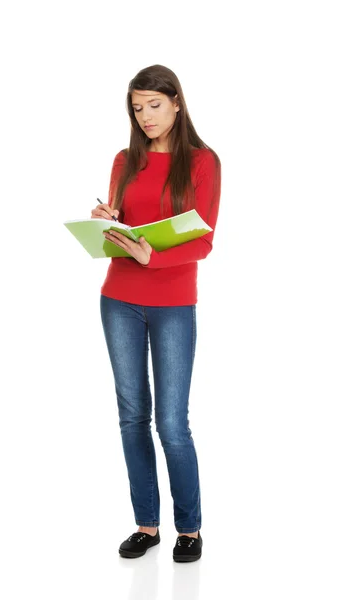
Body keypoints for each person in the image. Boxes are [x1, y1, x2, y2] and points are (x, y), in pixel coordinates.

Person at [91, 64, 222, 562]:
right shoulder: (125, 159)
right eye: (137, 107)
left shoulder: (203, 161)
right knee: (131, 418)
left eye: (154, 105)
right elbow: (124, 225)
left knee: (172, 422)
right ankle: (147, 525)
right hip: (118, 298)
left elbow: (205, 241)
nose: (145, 116)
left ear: (176, 104)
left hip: (173, 304)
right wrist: (108, 221)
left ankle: (189, 528)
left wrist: (155, 257)